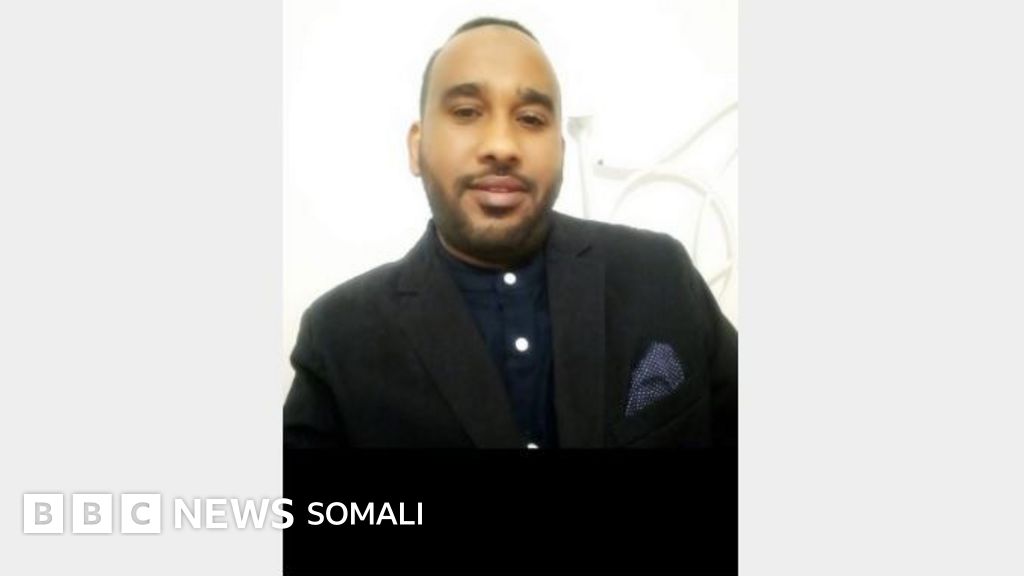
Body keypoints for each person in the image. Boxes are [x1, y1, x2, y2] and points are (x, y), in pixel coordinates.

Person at [283, 16, 737, 449]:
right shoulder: (339, 338)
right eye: (466, 111)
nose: (501, 146)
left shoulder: (660, 275)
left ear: (560, 151)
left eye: (531, 119)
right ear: (417, 147)